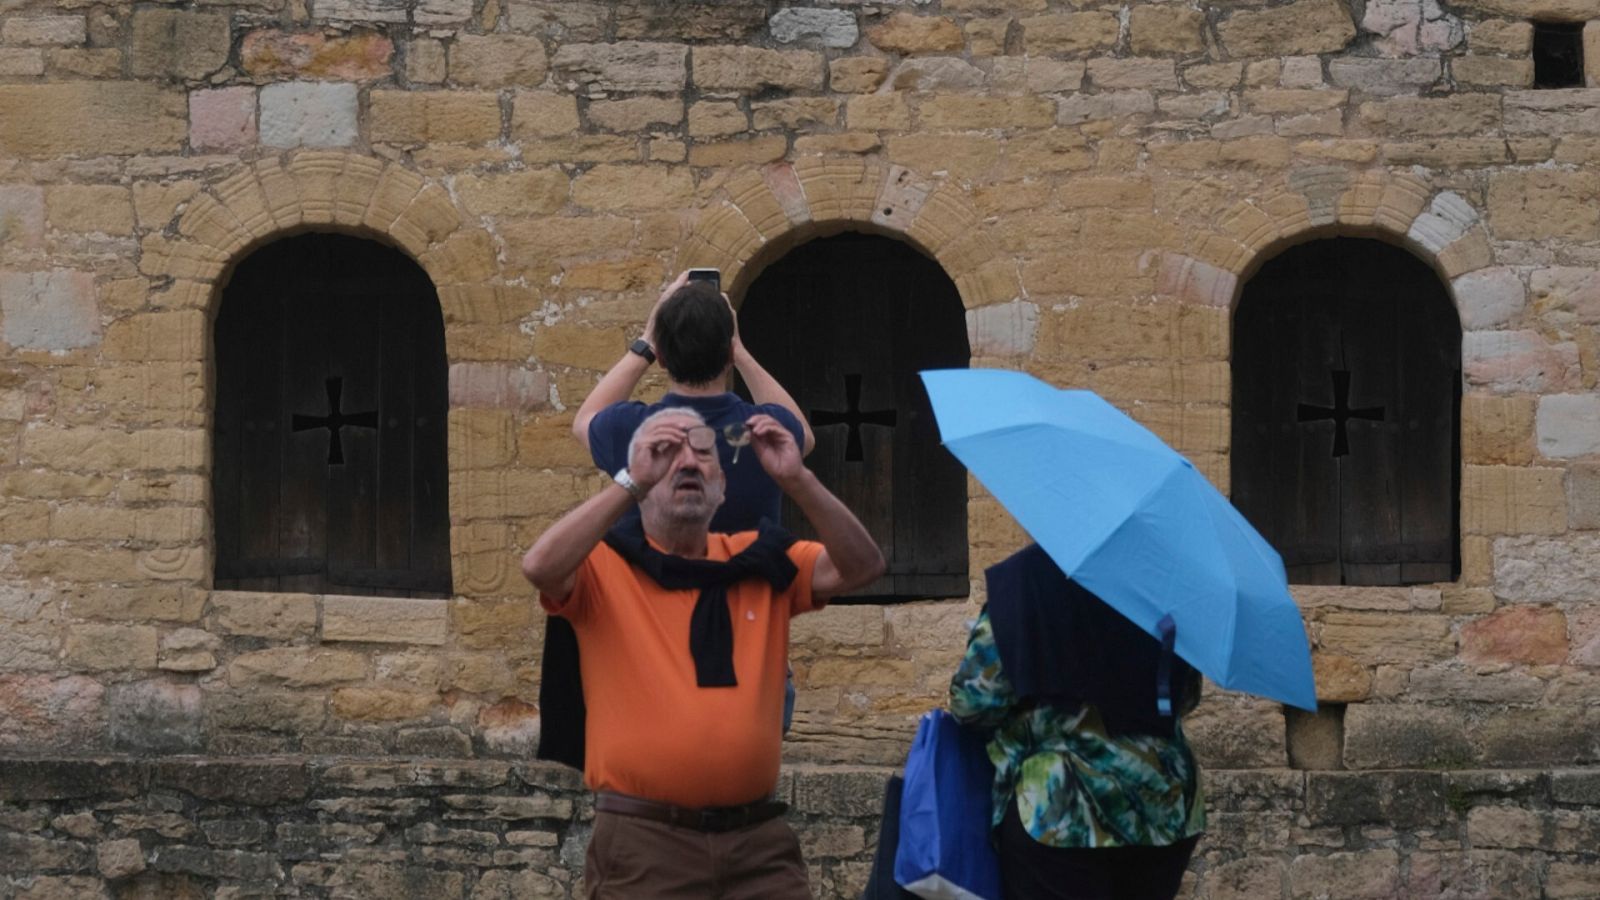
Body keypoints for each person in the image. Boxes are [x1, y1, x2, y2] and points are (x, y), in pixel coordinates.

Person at [522, 407, 884, 899]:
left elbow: (861, 566)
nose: (687, 462)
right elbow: (540, 567)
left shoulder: (761, 560)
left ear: (722, 490)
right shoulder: (603, 569)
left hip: (758, 847)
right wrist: (630, 481)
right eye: (664, 453)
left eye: (703, 455)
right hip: (644, 846)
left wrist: (797, 479)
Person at [570, 269, 815, 734]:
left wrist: (645, 341)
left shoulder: (634, 432)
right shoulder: (762, 433)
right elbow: (802, 437)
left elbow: (586, 417)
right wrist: (740, 352)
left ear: (662, 356)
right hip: (748, 661)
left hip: (648, 660)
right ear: (727, 351)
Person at [948, 544, 1205, 900]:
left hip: (1060, 809)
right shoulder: (1164, 584)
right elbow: (1186, 696)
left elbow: (972, 704)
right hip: (1163, 805)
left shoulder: (1026, 582)